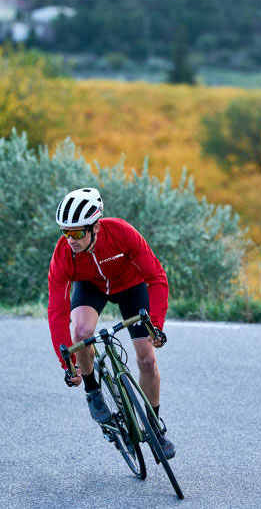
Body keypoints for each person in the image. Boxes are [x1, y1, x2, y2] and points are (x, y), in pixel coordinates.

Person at [48, 187, 175, 459]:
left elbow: (156, 277)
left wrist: (156, 324)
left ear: (95, 227)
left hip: (131, 286)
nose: (71, 239)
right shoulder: (64, 253)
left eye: (78, 232)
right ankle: (93, 390)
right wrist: (67, 363)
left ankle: (155, 428)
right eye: (65, 232)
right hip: (91, 287)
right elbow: (57, 309)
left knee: (147, 360)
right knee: (82, 332)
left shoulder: (121, 232)